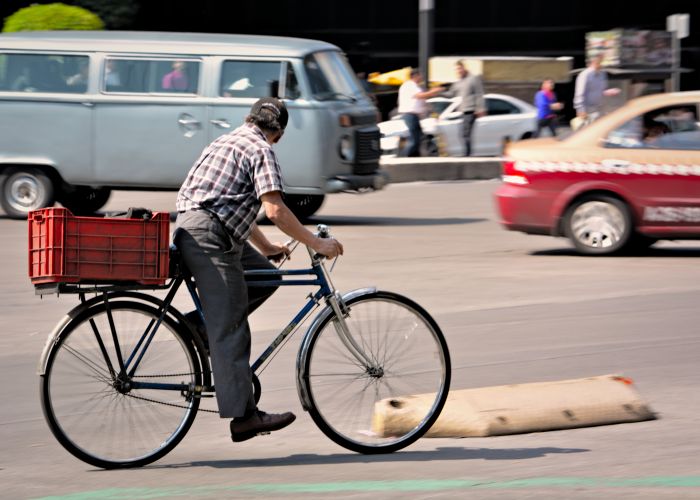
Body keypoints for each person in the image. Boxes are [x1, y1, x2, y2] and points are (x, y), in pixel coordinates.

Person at [175, 97, 343, 443]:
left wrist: (266, 248)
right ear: (278, 133)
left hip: (202, 228)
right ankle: (244, 417)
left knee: (267, 276)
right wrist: (317, 243)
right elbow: (275, 208)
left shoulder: (228, 140)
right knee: (232, 322)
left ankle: (200, 326)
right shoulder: (262, 151)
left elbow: (232, 201)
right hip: (209, 236)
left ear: (249, 118)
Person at [442, 61, 486, 156]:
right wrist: (439, 91)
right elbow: (451, 93)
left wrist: (480, 108)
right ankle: (467, 153)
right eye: (456, 69)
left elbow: (479, 94)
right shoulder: (459, 82)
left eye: (459, 68)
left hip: (471, 110)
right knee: (463, 133)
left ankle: (467, 154)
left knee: (465, 133)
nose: (458, 71)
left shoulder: (473, 79)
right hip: (463, 111)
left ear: (464, 68)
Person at [397, 68, 444, 157]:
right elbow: (420, 96)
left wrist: (432, 110)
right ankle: (403, 159)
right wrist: (433, 91)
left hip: (414, 116)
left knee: (417, 139)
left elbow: (423, 100)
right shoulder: (410, 85)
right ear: (415, 76)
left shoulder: (414, 86)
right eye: (420, 75)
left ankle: (413, 158)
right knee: (414, 140)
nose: (421, 77)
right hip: (410, 115)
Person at [573, 54, 620, 125]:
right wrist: (580, 109)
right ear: (595, 61)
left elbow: (602, 91)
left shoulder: (603, 74)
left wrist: (609, 92)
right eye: (601, 61)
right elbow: (579, 94)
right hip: (588, 111)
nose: (603, 64)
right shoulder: (585, 75)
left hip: (600, 110)